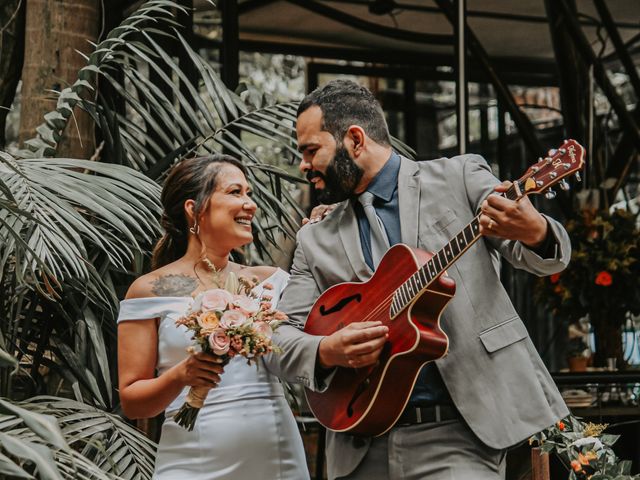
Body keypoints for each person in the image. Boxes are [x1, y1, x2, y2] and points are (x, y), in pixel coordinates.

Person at [265, 79, 572, 480]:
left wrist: (535, 230)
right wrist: (326, 350)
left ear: (355, 140)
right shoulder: (314, 238)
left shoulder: (459, 176)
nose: (304, 166)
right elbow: (276, 338)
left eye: (311, 151)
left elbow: (543, 257)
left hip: (462, 435)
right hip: (359, 444)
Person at [117, 154, 310, 480]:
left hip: (275, 453)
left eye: (249, 193)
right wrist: (182, 375)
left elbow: (315, 346)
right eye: (236, 192)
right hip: (191, 459)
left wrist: (323, 233)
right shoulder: (149, 290)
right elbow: (133, 403)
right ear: (194, 209)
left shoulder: (272, 282)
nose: (250, 204)